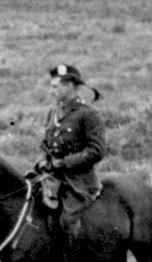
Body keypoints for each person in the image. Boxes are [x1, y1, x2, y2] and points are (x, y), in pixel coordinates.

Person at [33, 62, 108, 212]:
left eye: (55, 87)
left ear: (69, 86)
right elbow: (45, 145)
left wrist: (64, 163)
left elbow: (96, 151)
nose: (51, 91)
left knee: (68, 222)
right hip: (52, 177)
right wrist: (42, 161)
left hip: (79, 182)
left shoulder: (88, 114)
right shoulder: (53, 112)